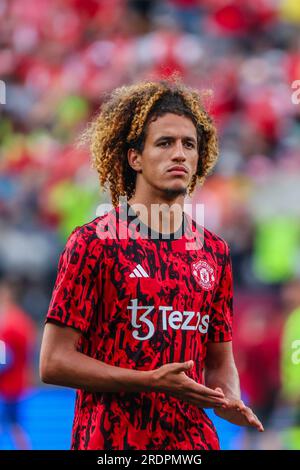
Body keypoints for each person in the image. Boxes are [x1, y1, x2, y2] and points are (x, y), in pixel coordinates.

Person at [40, 78, 263, 450]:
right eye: (165, 143)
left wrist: (227, 398)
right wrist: (148, 380)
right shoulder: (94, 243)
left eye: (189, 144)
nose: (179, 153)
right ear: (134, 158)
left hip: (192, 445)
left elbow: (219, 360)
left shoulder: (215, 252)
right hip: (112, 444)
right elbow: (54, 362)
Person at [0, 281, 36, 449]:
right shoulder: (24, 322)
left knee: (12, 425)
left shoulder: (8, 325)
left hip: (7, 386)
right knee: (13, 425)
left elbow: (4, 360)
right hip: (18, 382)